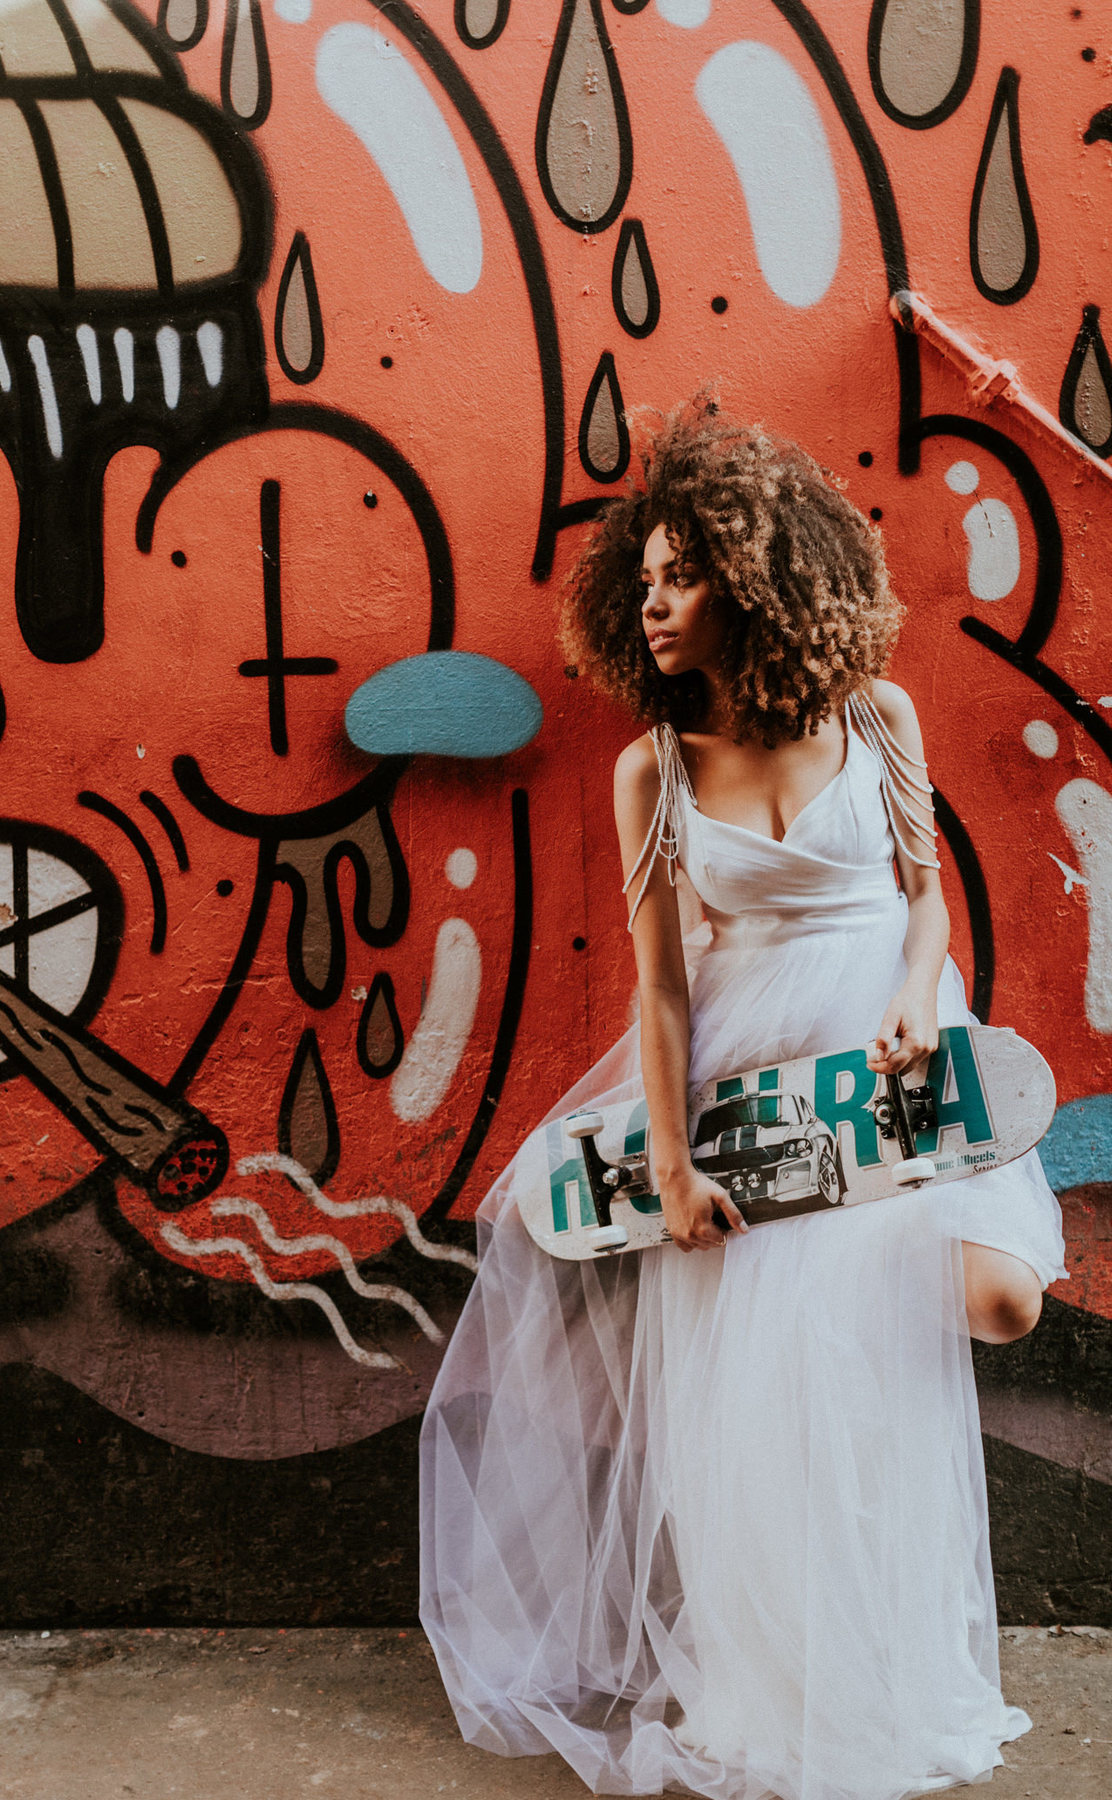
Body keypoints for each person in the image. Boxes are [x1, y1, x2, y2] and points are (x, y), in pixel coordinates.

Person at [419, 397, 1066, 1800]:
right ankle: (788, 1695)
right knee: (781, 1397)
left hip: (892, 1071)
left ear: (759, 579)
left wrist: (917, 984)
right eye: (641, 584)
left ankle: (894, 1654)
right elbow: (660, 989)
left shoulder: (877, 717)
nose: (654, 606)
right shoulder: (651, 768)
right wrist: (666, 1161)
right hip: (749, 1107)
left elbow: (925, 903)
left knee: (992, 1303)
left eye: (682, 577)